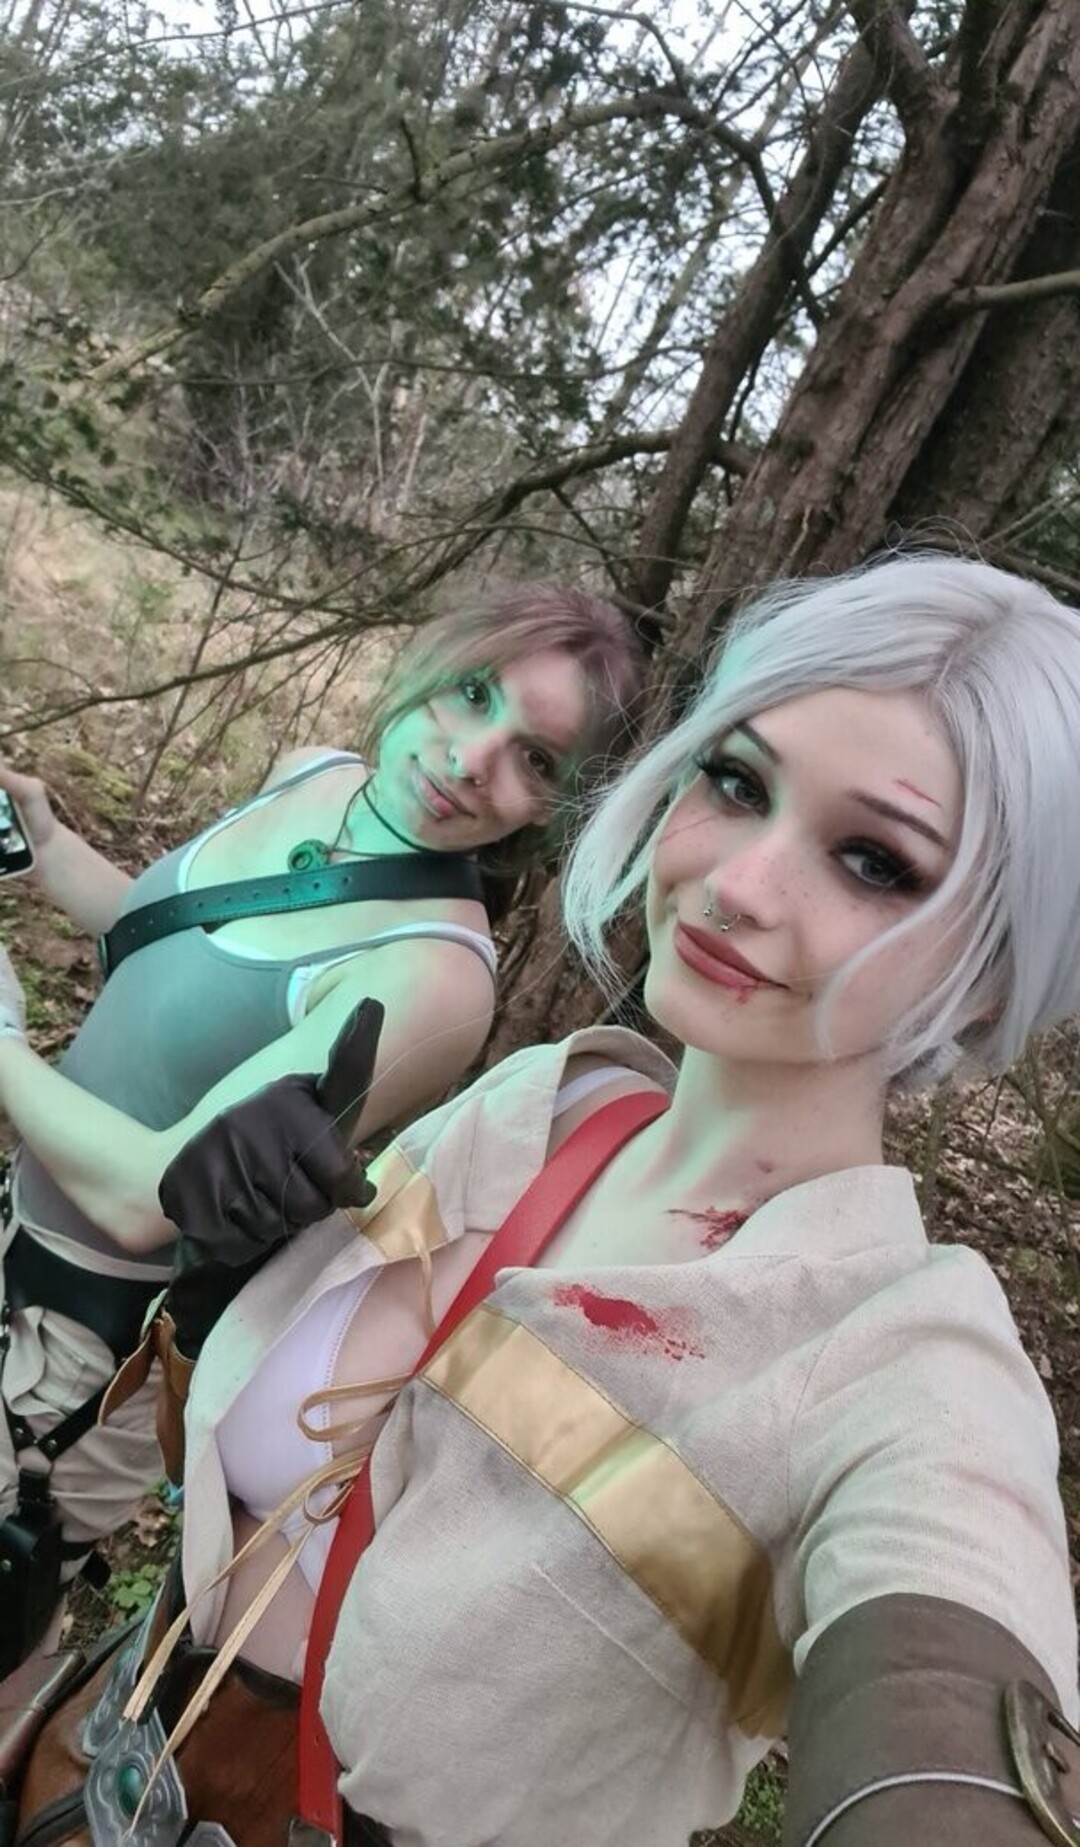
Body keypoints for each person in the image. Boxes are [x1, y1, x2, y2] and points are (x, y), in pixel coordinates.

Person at [20, 552, 1080, 1845]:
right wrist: (231, 1277)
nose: (741, 884)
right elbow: (250, 1459)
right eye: (738, 781)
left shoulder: (898, 1355)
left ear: (993, 971)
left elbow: (950, 1663)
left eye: (873, 859)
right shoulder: (544, 1104)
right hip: (95, 1759)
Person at [0, 582, 646, 1629]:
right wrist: (48, 847)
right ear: (433, 660)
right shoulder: (318, 774)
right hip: (18, 1214)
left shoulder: (434, 977)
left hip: (79, 1352)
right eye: (474, 693)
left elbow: (148, 1196)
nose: (471, 759)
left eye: (536, 758)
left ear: (553, 808)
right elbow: (175, 955)